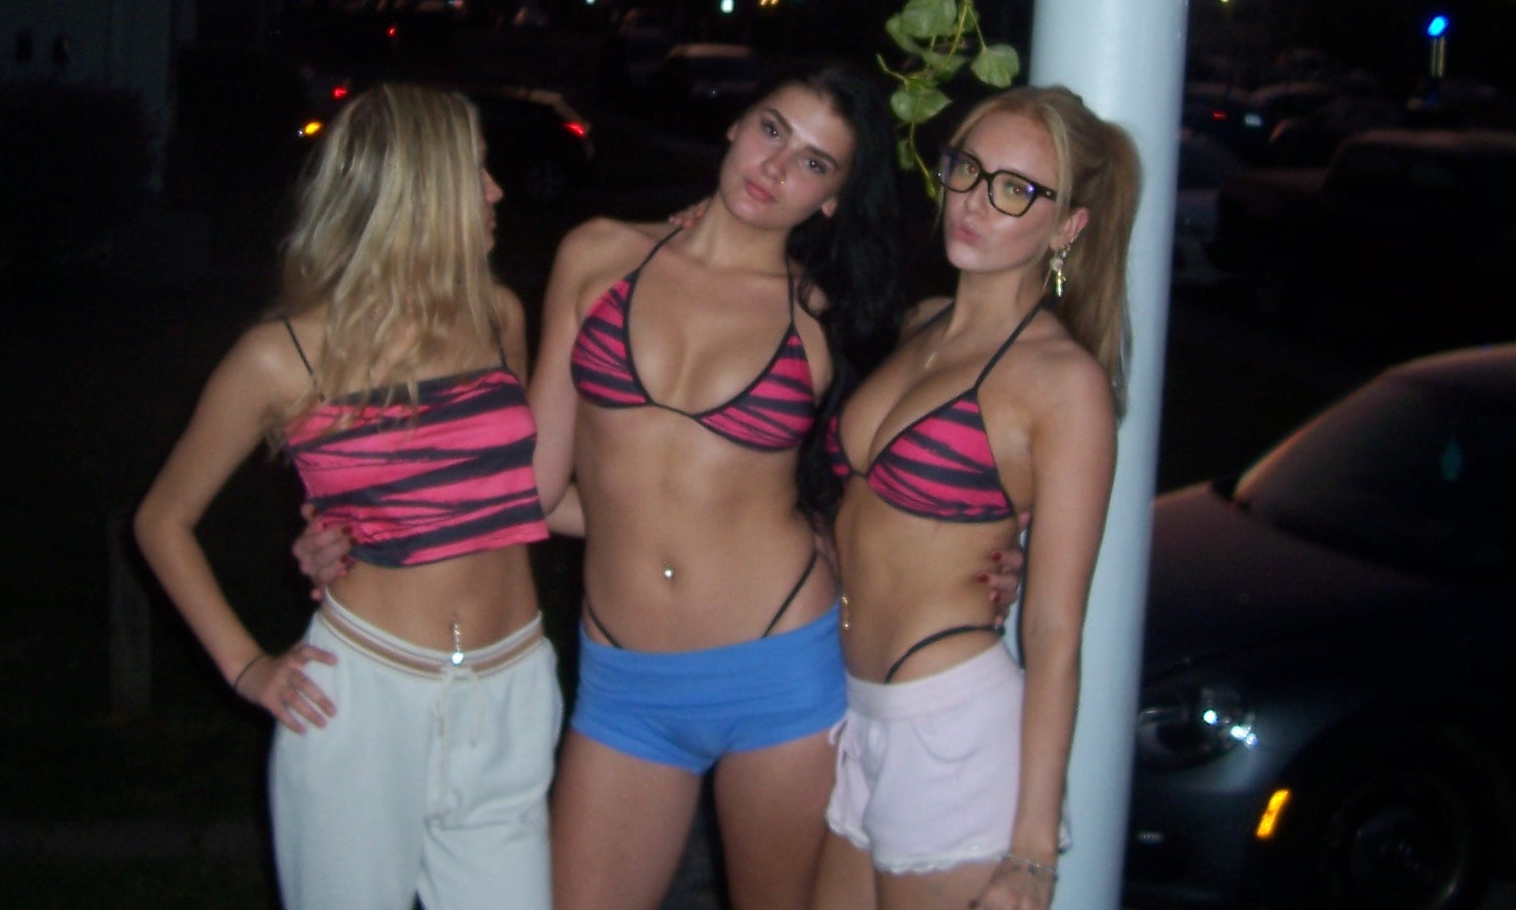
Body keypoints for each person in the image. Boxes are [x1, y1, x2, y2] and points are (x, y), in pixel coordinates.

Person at [133, 83, 572, 910]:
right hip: (367, 696)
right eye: (476, 172)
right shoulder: (281, 356)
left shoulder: (497, 315)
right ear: (416, 195)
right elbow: (163, 520)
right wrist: (247, 668)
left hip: (511, 688)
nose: (496, 192)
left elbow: (515, 492)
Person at [533, 62, 909, 910]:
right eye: (772, 129)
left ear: (833, 200)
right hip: (624, 683)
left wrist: (982, 561)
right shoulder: (597, 255)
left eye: (814, 163)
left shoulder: (826, 318)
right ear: (737, 125)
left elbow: (899, 478)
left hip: (780, 670)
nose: (775, 167)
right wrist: (368, 511)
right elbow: (530, 486)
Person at [810, 85, 1139, 910]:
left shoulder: (1064, 385)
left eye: (1016, 189)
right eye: (967, 169)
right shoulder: (921, 323)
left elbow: (1055, 631)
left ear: (1067, 227)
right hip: (859, 714)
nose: (975, 202)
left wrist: (1032, 853)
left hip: (950, 735)